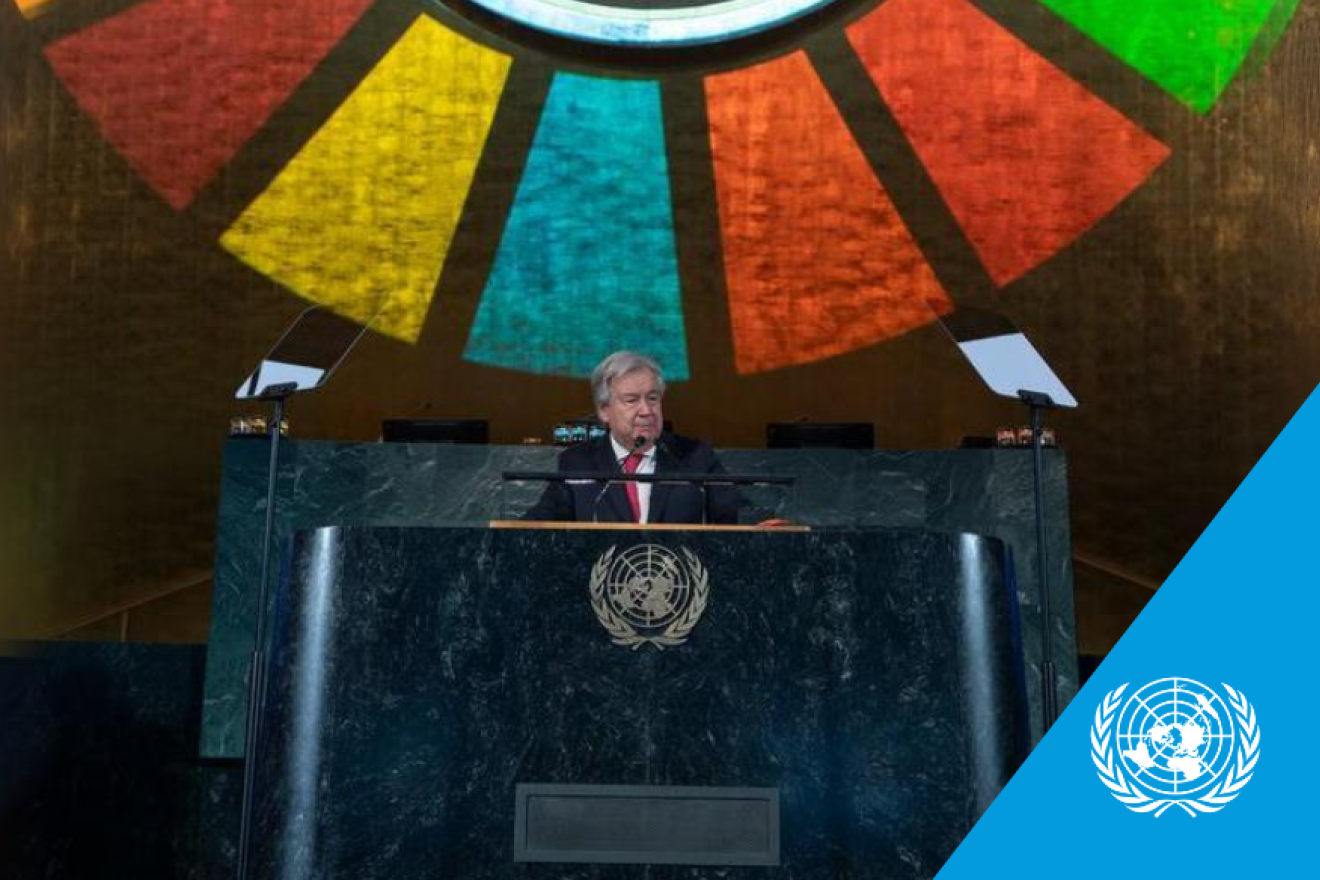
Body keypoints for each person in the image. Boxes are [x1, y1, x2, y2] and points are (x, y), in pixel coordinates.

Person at [525, 351, 739, 524]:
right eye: (631, 400)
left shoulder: (695, 456)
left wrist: (762, 525)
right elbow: (538, 524)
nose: (646, 410)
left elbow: (737, 513)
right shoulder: (577, 462)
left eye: (653, 398)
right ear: (604, 411)